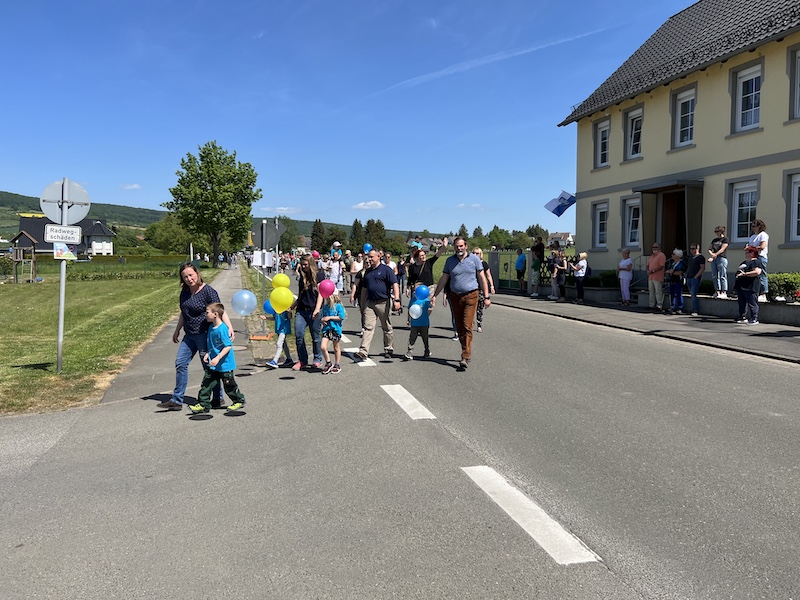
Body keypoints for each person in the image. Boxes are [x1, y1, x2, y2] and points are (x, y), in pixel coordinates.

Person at [158, 262, 232, 411]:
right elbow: (184, 312)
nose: (189, 279)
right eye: (185, 277)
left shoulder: (208, 291)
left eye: (191, 275)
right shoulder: (185, 292)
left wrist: (229, 327)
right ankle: (177, 400)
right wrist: (177, 330)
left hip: (205, 335)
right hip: (189, 335)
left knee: (209, 367)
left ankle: (217, 397)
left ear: (197, 274)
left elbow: (220, 311)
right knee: (180, 363)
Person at [431, 236, 491, 371]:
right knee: (459, 327)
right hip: (455, 296)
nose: (459, 248)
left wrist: (487, 296)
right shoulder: (450, 261)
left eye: (461, 246)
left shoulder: (474, 259)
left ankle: (465, 356)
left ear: (466, 246)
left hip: (471, 295)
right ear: (454, 247)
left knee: (467, 325)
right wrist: (435, 295)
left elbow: (482, 278)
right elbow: (444, 278)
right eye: (457, 246)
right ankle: (465, 349)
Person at [188, 302, 246, 414]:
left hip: (225, 364)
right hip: (213, 364)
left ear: (215, 314)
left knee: (229, 385)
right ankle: (203, 404)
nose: (205, 315)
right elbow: (213, 345)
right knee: (206, 383)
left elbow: (227, 346)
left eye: (207, 313)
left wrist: (218, 358)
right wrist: (208, 354)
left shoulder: (222, 329)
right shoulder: (211, 327)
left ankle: (239, 400)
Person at [351, 249, 400, 360]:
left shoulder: (386, 270)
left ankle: (388, 348)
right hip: (370, 303)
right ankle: (363, 351)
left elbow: (395, 284)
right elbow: (364, 289)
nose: (370, 259)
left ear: (378, 257)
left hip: (384, 302)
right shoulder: (367, 272)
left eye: (372, 257)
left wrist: (397, 300)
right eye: (369, 257)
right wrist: (362, 304)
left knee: (386, 327)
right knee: (367, 327)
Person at [290, 255, 325, 370]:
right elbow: (301, 295)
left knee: (315, 336)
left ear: (311, 264)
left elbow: (321, 294)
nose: (303, 267)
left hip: (314, 311)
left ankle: (317, 358)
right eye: (302, 265)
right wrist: (292, 306)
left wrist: (317, 309)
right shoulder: (302, 277)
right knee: (299, 335)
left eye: (305, 264)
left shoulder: (319, 276)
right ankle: (302, 360)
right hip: (301, 311)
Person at [316, 292, 345, 374]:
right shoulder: (325, 307)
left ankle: (337, 364)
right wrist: (322, 320)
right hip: (326, 329)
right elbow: (322, 317)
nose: (327, 298)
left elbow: (341, 317)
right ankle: (328, 362)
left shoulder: (338, 306)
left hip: (335, 329)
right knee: (323, 347)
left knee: (336, 348)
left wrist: (330, 317)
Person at [734, 246, 763, 324]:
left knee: (752, 303)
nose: (745, 254)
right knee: (742, 302)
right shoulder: (744, 262)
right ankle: (742, 317)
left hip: (751, 286)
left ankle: (754, 318)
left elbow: (757, 272)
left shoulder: (756, 262)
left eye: (747, 252)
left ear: (752, 253)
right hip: (741, 286)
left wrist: (745, 274)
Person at [404, 282, 432, 360]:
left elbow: (430, 308)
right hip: (414, 323)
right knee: (412, 338)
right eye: (415, 290)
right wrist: (408, 319)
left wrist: (427, 314)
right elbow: (410, 310)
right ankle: (409, 351)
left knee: (425, 338)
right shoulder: (412, 300)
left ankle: (427, 350)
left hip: (424, 323)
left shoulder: (426, 300)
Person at [472, 248, 495, 332]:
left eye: (477, 253)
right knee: (471, 307)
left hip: (481, 288)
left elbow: (488, 275)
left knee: (480, 307)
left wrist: (491, 286)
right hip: (472, 288)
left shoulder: (484, 264)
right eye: (473, 253)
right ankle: (470, 323)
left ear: (480, 254)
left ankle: (479, 324)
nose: (475, 255)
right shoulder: (470, 263)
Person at [748, 219, 769, 302]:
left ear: (759, 226)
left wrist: (751, 248)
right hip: (753, 257)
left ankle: (764, 294)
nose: (753, 228)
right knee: (754, 275)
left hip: (760, 256)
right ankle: (756, 292)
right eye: (752, 226)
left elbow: (762, 246)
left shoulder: (763, 235)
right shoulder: (753, 236)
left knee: (762, 274)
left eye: (754, 226)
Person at [707, 225, 729, 299]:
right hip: (714, 259)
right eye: (715, 231)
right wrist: (712, 254)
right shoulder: (714, 240)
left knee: (722, 275)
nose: (716, 233)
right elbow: (709, 249)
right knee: (714, 275)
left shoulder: (725, 239)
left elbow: (722, 249)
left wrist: (714, 255)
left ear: (721, 231)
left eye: (717, 231)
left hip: (721, 258)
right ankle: (717, 291)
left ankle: (724, 292)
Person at [685, 243, 706, 316]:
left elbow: (702, 268)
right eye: (690, 249)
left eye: (693, 248)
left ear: (697, 249)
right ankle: (693, 308)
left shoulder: (700, 257)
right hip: (689, 278)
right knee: (691, 294)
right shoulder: (690, 257)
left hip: (695, 279)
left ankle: (695, 310)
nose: (691, 250)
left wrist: (696, 276)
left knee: (694, 294)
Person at [664, 248, 686, 315]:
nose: (672, 255)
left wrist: (672, 272)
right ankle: (672, 307)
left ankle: (680, 308)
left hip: (678, 280)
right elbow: (669, 270)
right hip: (672, 280)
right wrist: (668, 272)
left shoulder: (681, 263)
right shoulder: (673, 263)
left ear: (677, 255)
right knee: (672, 294)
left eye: (673, 254)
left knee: (679, 294)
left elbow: (680, 272)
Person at [646, 243, 666, 311]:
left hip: (658, 277)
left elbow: (661, 265)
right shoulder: (651, 256)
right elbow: (648, 265)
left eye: (656, 247)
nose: (654, 248)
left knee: (658, 291)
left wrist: (653, 270)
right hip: (650, 277)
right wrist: (648, 270)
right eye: (653, 247)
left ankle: (659, 305)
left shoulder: (661, 255)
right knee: (651, 291)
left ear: (659, 248)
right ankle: (651, 305)